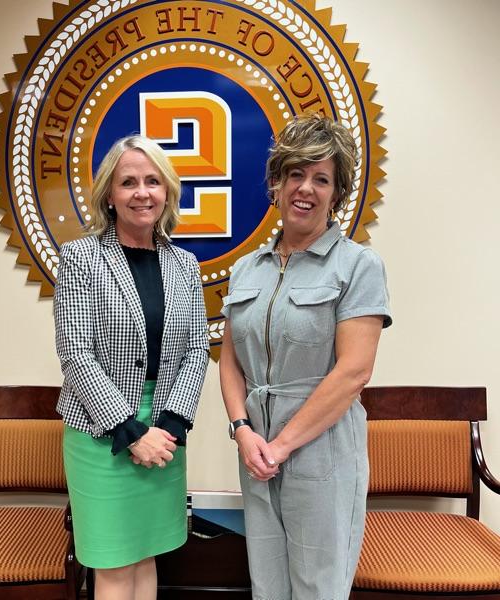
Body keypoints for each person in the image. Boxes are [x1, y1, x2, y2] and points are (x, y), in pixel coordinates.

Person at [219, 114, 391, 600]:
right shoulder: (245, 269)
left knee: (318, 589)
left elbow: (354, 371)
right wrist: (243, 431)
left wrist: (283, 445)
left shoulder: (358, 265)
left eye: (322, 179)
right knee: (267, 585)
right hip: (256, 450)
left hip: (323, 452)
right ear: (276, 183)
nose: (306, 189)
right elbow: (230, 362)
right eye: (296, 174)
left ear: (337, 194)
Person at [54, 135, 209, 600]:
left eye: (152, 181)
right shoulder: (80, 257)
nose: (142, 192)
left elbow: (197, 348)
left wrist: (168, 425)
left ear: (167, 191)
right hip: (103, 431)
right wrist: (131, 430)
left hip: (165, 428)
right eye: (128, 182)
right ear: (109, 195)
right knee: (114, 562)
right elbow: (75, 352)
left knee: (146, 553)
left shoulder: (185, 264)